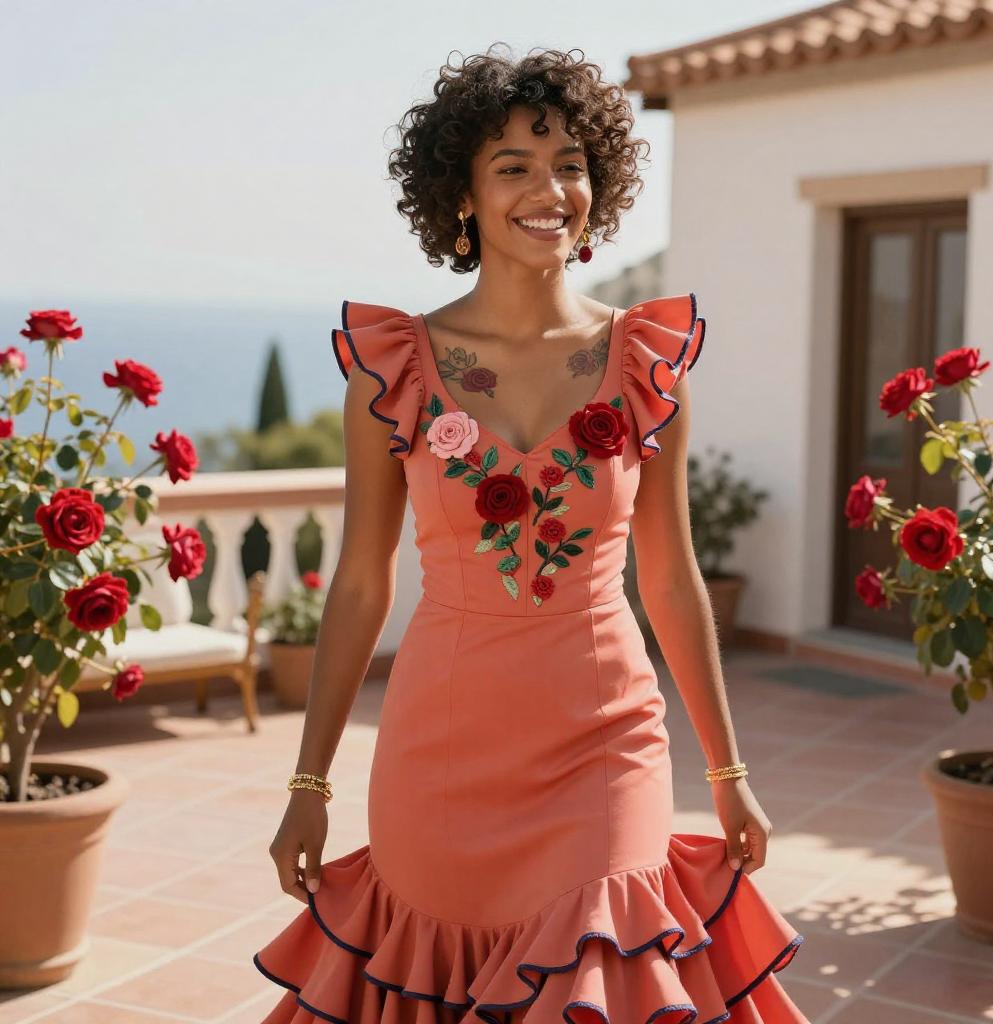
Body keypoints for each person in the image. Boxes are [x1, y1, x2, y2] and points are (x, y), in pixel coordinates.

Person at [253, 44, 809, 1024]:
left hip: (605, 744)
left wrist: (727, 776)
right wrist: (309, 781)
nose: (549, 190)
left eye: (569, 164)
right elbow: (359, 587)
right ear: (460, 198)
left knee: (609, 969)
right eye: (512, 166)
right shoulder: (394, 370)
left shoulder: (647, 367)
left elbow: (672, 583)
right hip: (438, 756)